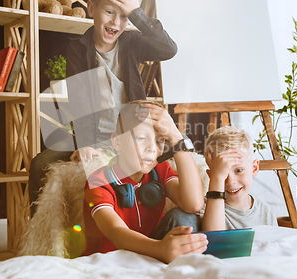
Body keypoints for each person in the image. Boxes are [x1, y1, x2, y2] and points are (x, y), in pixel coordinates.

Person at [28, 0, 178, 216]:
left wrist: (137, 12)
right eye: (109, 12)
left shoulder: (132, 42)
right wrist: (86, 147)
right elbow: (79, 105)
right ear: (91, 8)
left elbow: (168, 49)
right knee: (40, 163)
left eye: (124, 15)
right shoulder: (78, 49)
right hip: (95, 135)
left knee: (170, 160)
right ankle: (40, 234)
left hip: (132, 136)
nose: (116, 22)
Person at [82, 100, 207, 263]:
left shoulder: (161, 171)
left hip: (153, 254)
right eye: (141, 138)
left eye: (160, 141)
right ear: (117, 142)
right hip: (110, 260)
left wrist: (176, 137)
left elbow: (194, 204)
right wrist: (160, 249)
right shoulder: (98, 181)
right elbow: (116, 231)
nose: (152, 148)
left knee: (184, 218)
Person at [200, 126, 277, 231]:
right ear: (211, 177)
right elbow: (214, 239)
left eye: (238, 170)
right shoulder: (205, 210)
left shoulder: (265, 211)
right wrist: (217, 178)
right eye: (222, 174)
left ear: (254, 168)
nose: (231, 182)